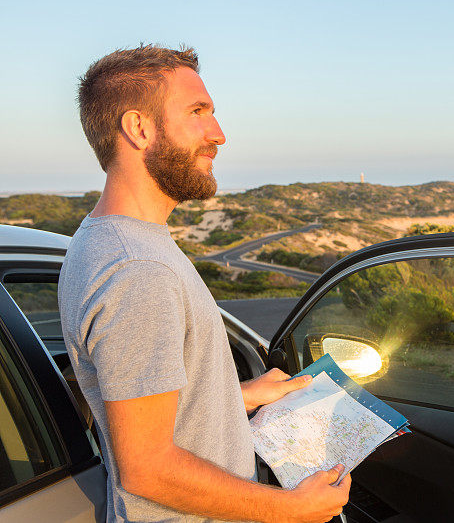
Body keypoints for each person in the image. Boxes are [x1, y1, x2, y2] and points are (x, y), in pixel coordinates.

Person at [58, 44, 350, 522]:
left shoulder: (109, 241)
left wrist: (244, 395)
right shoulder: (137, 270)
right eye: (198, 112)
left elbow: (143, 413)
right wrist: (293, 508)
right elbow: (147, 468)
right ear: (138, 128)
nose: (218, 134)